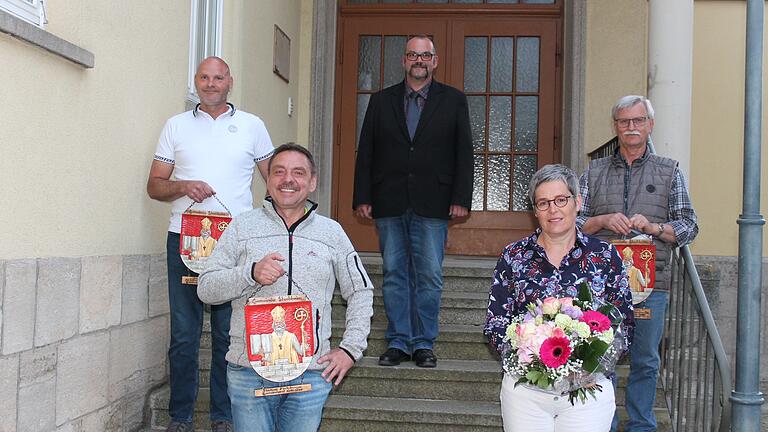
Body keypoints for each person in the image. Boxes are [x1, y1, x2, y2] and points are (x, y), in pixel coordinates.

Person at [198, 143, 374, 432]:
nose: (288, 179)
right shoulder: (242, 228)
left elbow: (361, 291)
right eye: (279, 172)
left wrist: (350, 349)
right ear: (268, 180)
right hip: (248, 372)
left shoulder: (332, 233)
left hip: (311, 374)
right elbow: (206, 288)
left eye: (298, 172)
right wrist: (250, 273)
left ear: (312, 182)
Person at [146, 56, 274, 432]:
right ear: (196, 81)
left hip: (235, 245)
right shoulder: (176, 125)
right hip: (185, 241)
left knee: (227, 335)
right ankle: (180, 417)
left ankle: (223, 416)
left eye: (218, 78)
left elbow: (274, 182)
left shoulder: (253, 126)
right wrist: (184, 186)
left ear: (229, 82)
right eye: (205, 77)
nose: (211, 84)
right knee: (184, 335)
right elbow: (155, 186)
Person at [577, 95, 698, 432]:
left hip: (651, 285)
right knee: (602, 356)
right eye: (624, 122)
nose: (631, 127)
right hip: (601, 284)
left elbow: (689, 225)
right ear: (615, 127)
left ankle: (641, 425)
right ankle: (604, 423)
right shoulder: (594, 171)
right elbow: (571, 223)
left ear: (650, 125)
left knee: (646, 361)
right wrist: (601, 219)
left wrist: (655, 228)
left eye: (638, 120)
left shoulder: (670, 170)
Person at [353, 35, 473, 368]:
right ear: (404, 61)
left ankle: (423, 343)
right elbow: (367, 152)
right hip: (388, 199)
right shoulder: (381, 101)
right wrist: (362, 196)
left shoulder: (454, 100)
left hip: (434, 201)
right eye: (412, 55)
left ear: (434, 61)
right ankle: (398, 341)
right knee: (394, 273)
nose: (418, 61)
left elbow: (464, 152)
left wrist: (461, 197)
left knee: (429, 275)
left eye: (425, 55)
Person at [485, 164, 635, 431]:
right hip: (526, 393)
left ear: (577, 203)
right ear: (535, 211)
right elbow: (496, 323)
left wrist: (589, 364)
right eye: (543, 203)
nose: (553, 209)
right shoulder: (514, 256)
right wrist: (529, 360)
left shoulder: (605, 256)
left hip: (587, 390)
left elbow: (624, 323)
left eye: (560, 200)